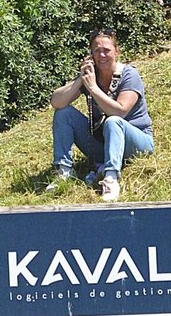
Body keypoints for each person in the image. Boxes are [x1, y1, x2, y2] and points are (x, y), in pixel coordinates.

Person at [45, 28, 154, 202]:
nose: (102, 55)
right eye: (97, 51)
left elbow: (120, 111)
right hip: (103, 144)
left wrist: (93, 89)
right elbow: (57, 102)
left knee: (113, 121)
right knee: (63, 113)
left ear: (116, 51)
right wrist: (81, 79)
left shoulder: (129, 75)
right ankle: (64, 172)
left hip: (137, 144)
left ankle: (110, 178)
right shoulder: (91, 76)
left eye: (106, 50)